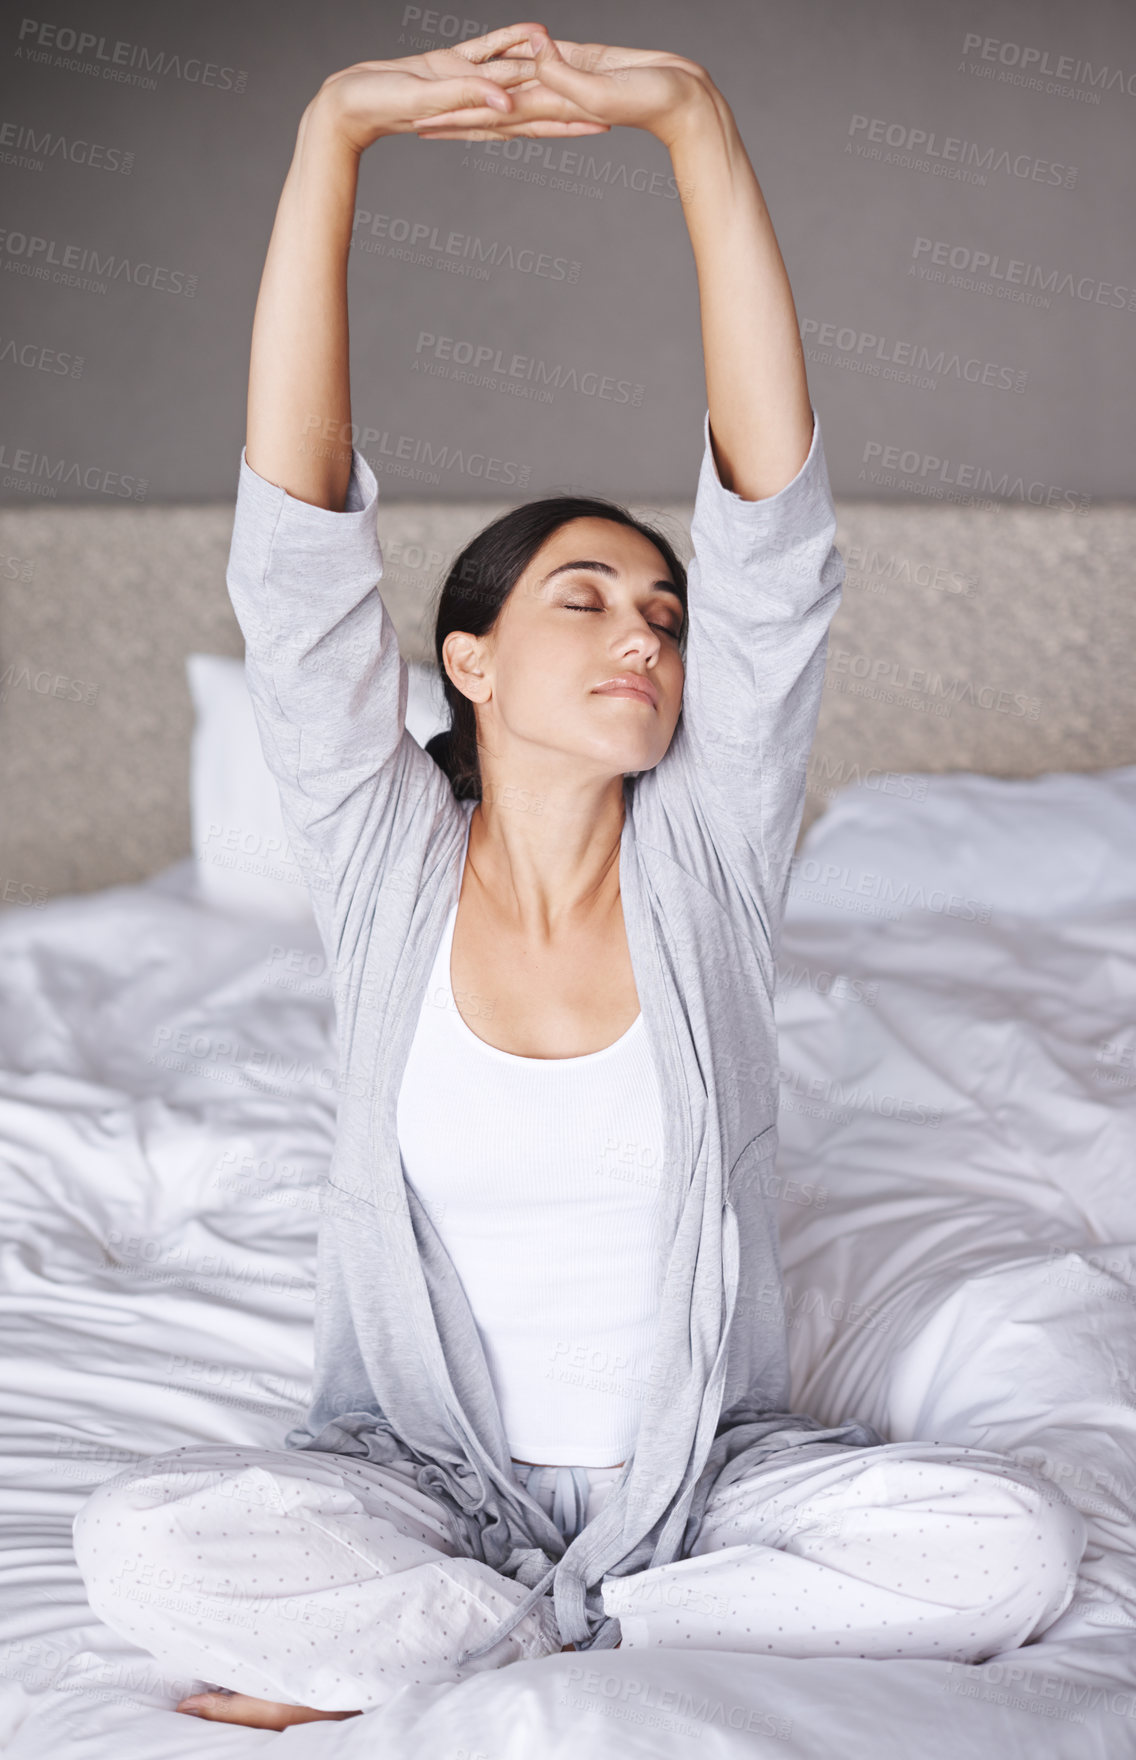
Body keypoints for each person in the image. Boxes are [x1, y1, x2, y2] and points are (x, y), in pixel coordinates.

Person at [72, 22, 1086, 1733]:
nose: (645, 633)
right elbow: (295, 557)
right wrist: (333, 140)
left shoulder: (707, 861)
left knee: (1010, 1547)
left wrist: (693, 125)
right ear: (462, 660)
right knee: (137, 1547)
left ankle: (533, 1639)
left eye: (665, 618)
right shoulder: (387, 866)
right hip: (410, 1477)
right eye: (587, 598)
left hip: (705, 1480)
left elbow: (779, 545)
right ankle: (586, 1623)